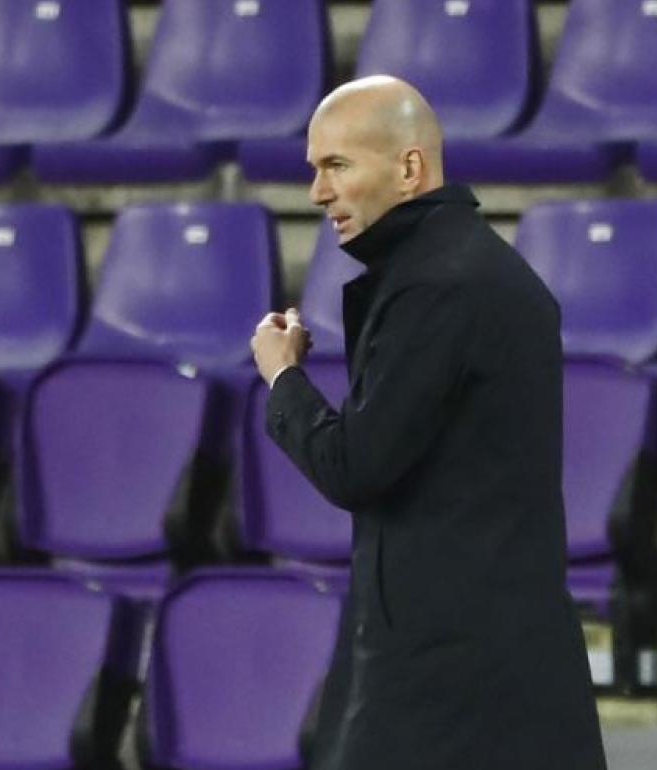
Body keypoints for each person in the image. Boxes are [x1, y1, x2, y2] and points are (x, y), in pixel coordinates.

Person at [249, 76, 607, 769]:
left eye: (337, 166)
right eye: (315, 170)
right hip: (486, 649)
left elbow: (356, 464)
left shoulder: (436, 284)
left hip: (448, 667)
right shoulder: (472, 266)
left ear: (409, 167)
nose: (318, 193)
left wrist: (283, 377)